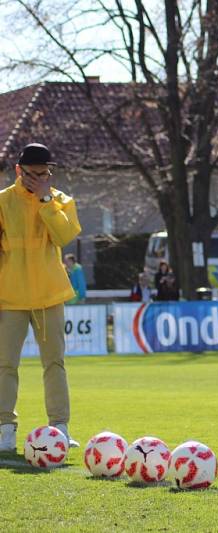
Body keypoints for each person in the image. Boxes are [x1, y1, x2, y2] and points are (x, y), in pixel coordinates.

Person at [0, 143, 82, 452]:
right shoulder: (3, 202)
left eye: (45, 174)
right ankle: (5, 429)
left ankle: (59, 428)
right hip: (10, 298)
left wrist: (46, 200)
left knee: (54, 363)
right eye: (33, 174)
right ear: (19, 171)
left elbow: (63, 237)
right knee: (5, 365)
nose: (39, 180)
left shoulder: (61, 200)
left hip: (49, 295)